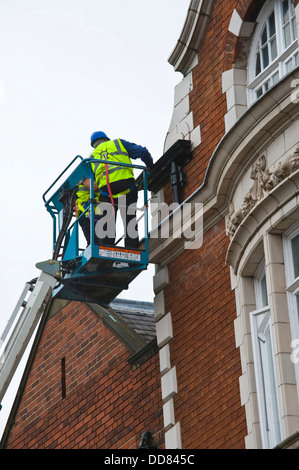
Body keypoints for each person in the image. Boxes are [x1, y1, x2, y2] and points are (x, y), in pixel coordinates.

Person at [89, 131, 154, 249]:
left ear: (94, 145)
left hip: (107, 192)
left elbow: (93, 184)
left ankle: (106, 253)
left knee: (107, 223)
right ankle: (132, 251)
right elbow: (143, 152)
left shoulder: (91, 157)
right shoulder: (118, 143)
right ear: (106, 139)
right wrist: (151, 167)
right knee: (130, 221)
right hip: (126, 188)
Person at [75, 177, 101, 245]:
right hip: (86, 213)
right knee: (93, 242)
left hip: (95, 213)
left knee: (102, 242)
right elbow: (94, 187)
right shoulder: (85, 174)